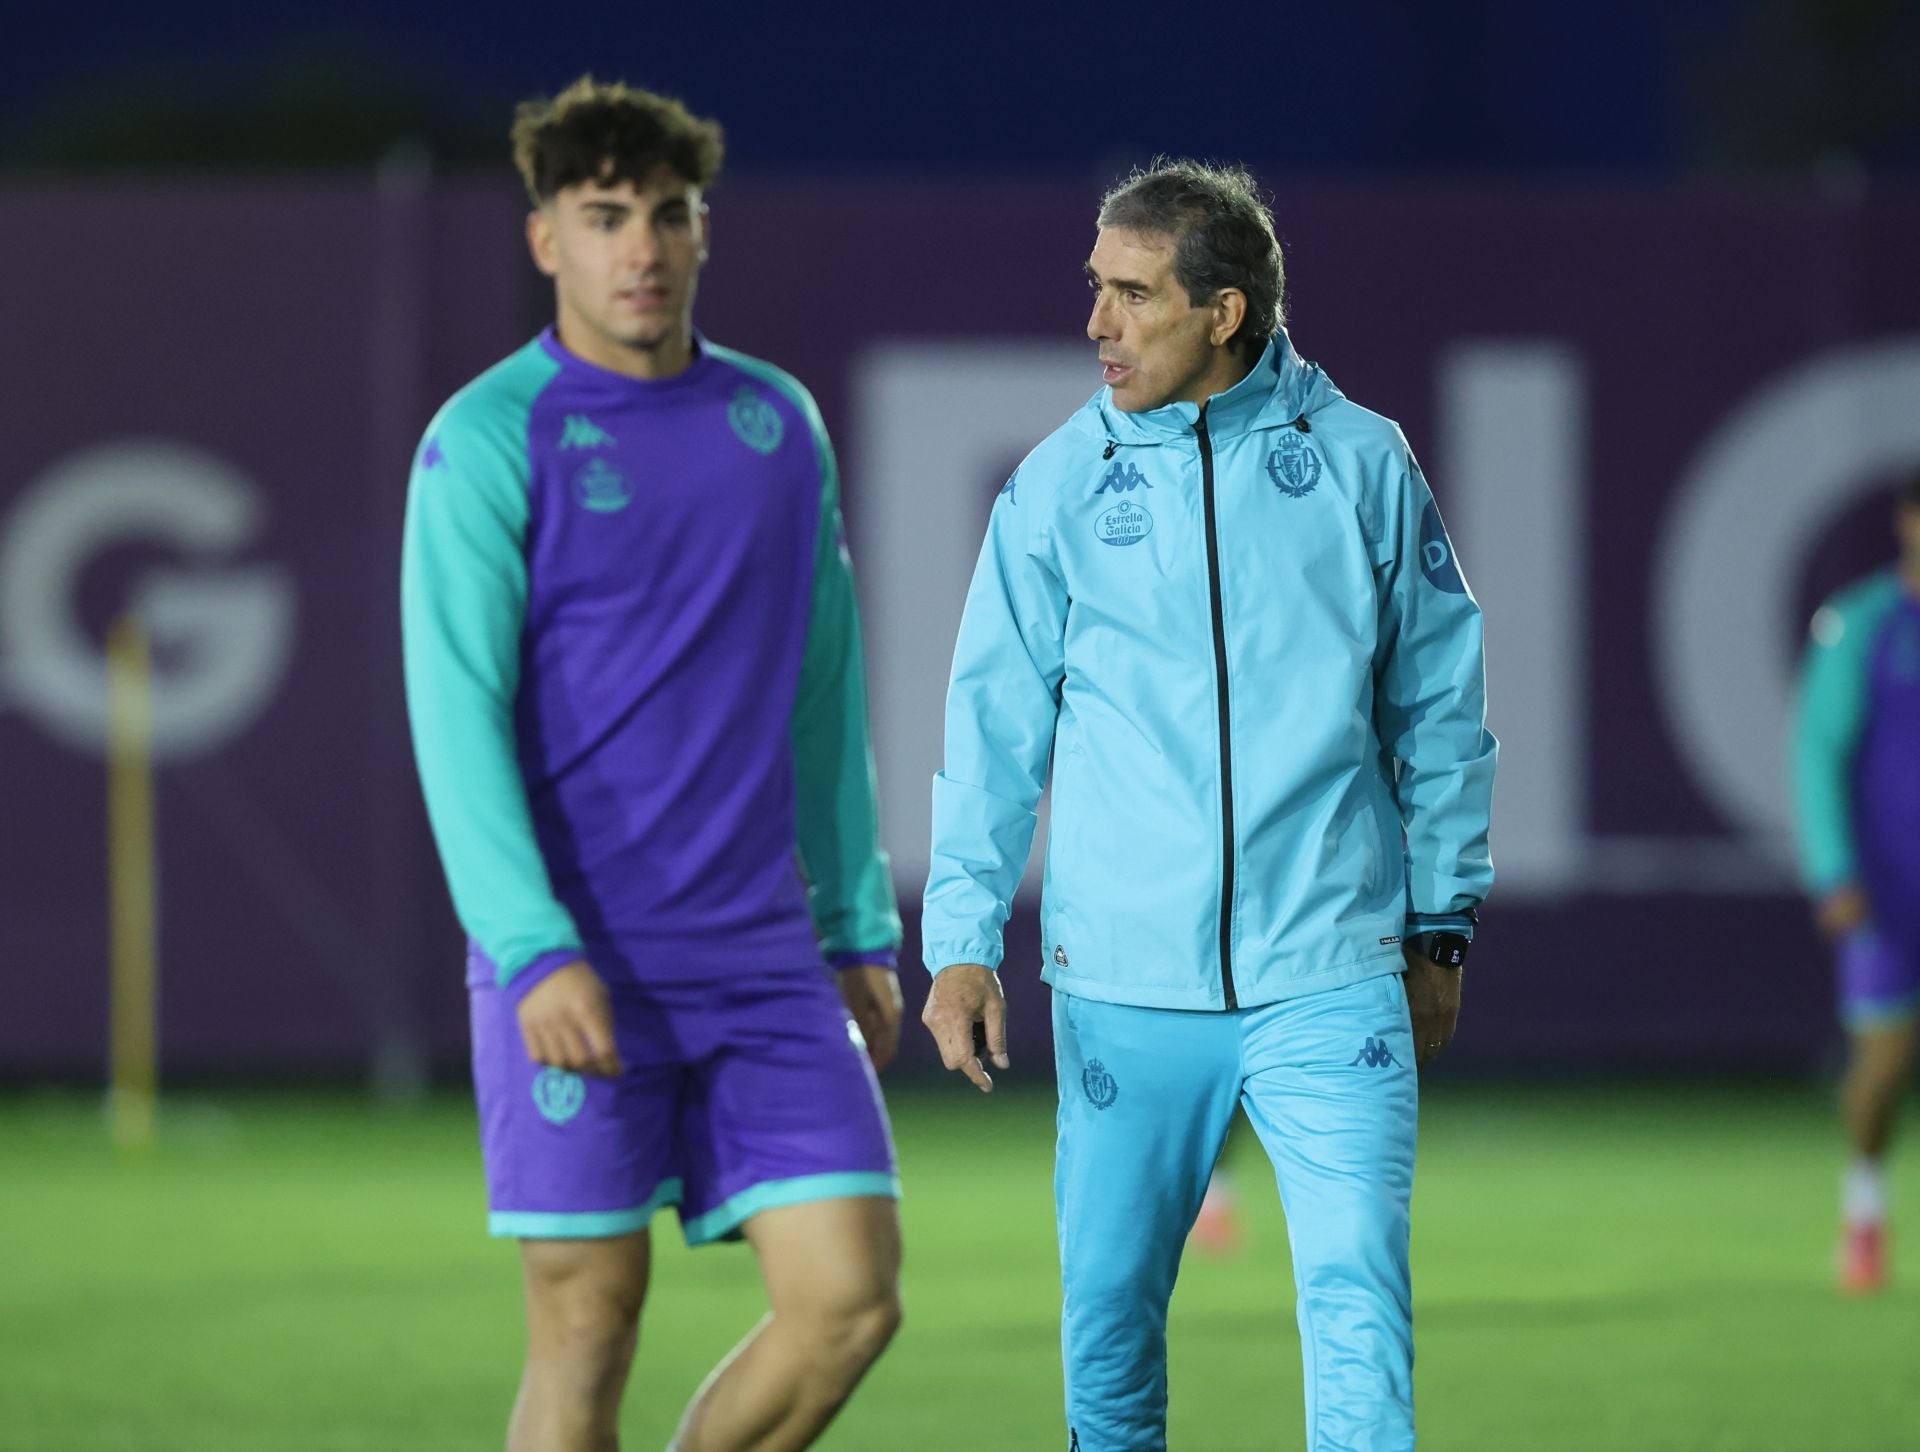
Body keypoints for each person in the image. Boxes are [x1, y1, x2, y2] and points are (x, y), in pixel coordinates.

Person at [921, 159, 1496, 1449]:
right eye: (1095, 290)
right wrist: (961, 940)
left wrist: (1441, 920)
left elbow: (1440, 708)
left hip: (1331, 970)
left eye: (1132, 294)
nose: (1097, 325)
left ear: (1224, 312)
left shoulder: (1361, 464)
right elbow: (993, 728)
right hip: (1123, 984)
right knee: (1110, 1316)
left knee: (1359, 1300)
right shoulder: (1057, 487)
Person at [401, 77, 904, 1452]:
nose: (642, 247)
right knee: (587, 1324)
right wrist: (529, 946)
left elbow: (824, 689)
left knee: (850, 1301)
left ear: (702, 233)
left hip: (761, 955)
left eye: (669, 215)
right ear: (545, 239)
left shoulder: (775, 426)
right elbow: (455, 721)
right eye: (604, 214)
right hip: (580, 957)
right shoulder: (488, 440)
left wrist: (856, 925)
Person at [1794, 472, 1920, 1296]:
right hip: (1891, 884)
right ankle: (1865, 1206)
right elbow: (1817, 751)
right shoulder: (1864, 624)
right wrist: (1833, 870)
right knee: (1886, 1065)